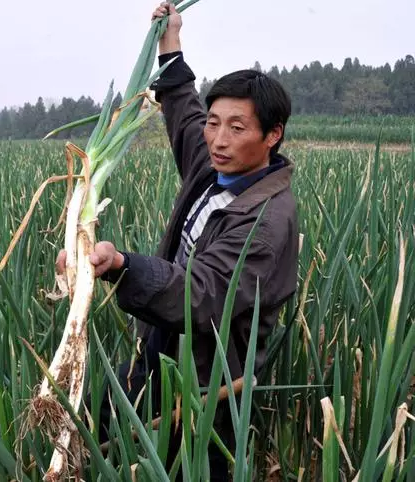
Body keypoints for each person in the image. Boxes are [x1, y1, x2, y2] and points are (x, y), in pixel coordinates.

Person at [56, 2, 299, 479]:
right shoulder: (216, 169)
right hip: (162, 353)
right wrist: (170, 43)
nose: (218, 139)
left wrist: (123, 265)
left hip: (209, 385)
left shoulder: (266, 224)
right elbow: (186, 115)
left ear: (272, 135)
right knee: (100, 420)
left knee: (188, 469)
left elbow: (202, 296)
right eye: (215, 123)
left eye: (237, 127)